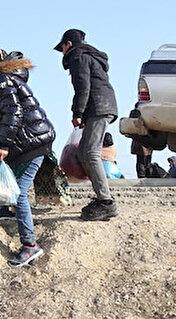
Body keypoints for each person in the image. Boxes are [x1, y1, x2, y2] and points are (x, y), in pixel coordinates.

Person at [0, 47, 56, 267]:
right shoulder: (4, 81)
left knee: (19, 192)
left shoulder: (1, 82)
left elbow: (14, 112)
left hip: (31, 143)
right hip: (27, 140)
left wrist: (2, 144)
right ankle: (8, 209)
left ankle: (30, 246)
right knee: (8, 178)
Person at [54, 29, 119, 221]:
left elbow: (83, 86)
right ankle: (102, 198)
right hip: (102, 105)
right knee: (84, 152)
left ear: (68, 44)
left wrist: (78, 113)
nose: (63, 52)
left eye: (63, 47)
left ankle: (106, 202)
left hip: (98, 107)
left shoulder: (78, 56)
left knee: (90, 153)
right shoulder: (90, 56)